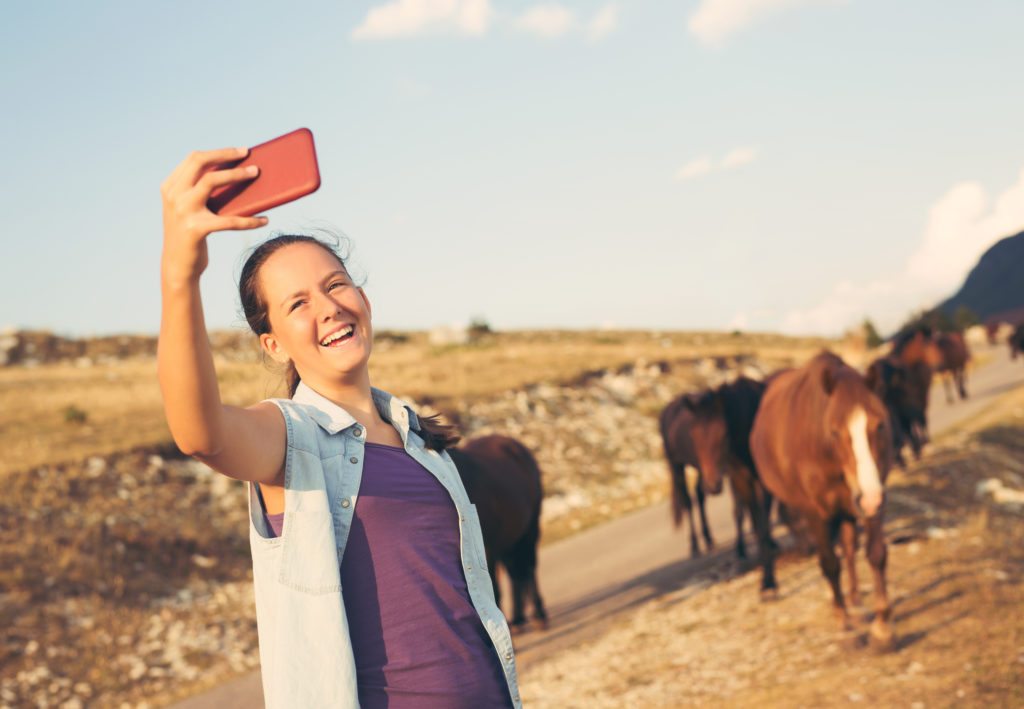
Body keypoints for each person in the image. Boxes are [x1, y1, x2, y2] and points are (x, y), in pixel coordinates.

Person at [158, 147, 522, 708]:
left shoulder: (420, 442)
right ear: (273, 344)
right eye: (298, 303)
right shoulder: (289, 440)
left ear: (363, 298)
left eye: (335, 285)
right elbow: (200, 434)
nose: (327, 307)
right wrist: (181, 273)